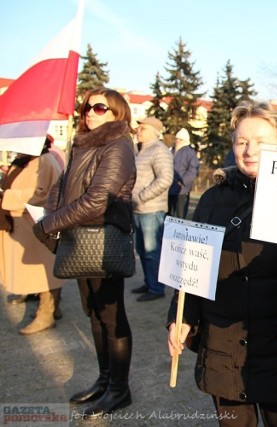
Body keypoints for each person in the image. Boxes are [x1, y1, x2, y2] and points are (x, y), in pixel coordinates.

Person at [167, 101, 277, 427]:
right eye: (242, 141)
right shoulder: (212, 199)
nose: (250, 150)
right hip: (223, 351)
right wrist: (183, 316)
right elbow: (190, 267)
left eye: (262, 141)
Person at [33, 87, 136, 419]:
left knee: (111, 315)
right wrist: (50, 217)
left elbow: (97, 200)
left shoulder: (118, 146)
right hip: (78, 239)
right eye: (85, 107)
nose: (88, 112)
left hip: (103, 240)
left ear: (117, 113)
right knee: (93, 313)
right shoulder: (81, 145)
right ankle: (105, 379)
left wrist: (48, 225)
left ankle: (120, 390)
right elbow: (59, 188)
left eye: (99, 107)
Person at [0, 135, 64, 334]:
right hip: (22, 222)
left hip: (34, 221)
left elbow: (43, 193)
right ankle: (43, 302)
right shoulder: (27, 158)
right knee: (31, 269)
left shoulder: (45, 160)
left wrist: (7, 196)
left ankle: (47, 313)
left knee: (43, 270)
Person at [130, 117, 173, 302]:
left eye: (143, 128)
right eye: (138, 128)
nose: (138, 131)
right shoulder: (142, 150)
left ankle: (156, 288)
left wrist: (141, 197)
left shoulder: (159, 151)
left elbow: (165, 179)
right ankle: (149, 282)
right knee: (142, 249)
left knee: (152, 250)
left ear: (155, 131)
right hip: (138, 210)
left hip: (151, 210)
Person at [168, 127, 199, 219]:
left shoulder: (189, 152)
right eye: (176, 139)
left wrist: (182, 182)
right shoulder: (171, 150)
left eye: (180, 139)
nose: (177, 141)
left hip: (182, 189)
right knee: (168, 214)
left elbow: (193, 170)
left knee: (179, 215)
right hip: (169, 187)